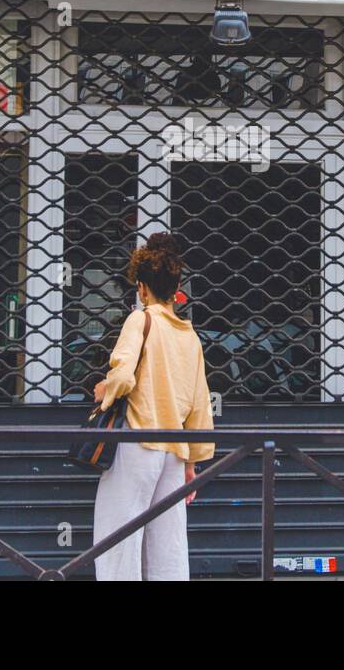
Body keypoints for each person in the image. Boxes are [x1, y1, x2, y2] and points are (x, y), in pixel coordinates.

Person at [92, 232, 215, 581]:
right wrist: (192, 462)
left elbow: (123, 377)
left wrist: (105, 390)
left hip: (138, 444)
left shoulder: (141, 319)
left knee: (118, 541)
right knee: (169, 548)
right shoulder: (189, 336)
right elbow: (199, 405)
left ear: (143, 288)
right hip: (173, 453)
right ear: (175, 288)